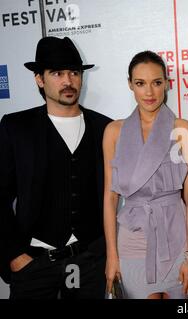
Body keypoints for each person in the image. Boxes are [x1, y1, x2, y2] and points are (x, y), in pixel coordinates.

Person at [0, 36, 112, 299]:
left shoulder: (105, 127)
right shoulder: (16, 128)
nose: (67, 81)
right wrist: (14, 256)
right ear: (39, 79)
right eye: (57, 73)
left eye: (74, 72)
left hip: (89, 262)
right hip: (33, 262)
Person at [103, 50, 188, 299]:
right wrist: (112, 256)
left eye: (157, 82)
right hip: (132, 239)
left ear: (167, 83)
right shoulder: (114, 132)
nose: (149, 92)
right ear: (130, 85)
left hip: (176, 235)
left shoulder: (182, 129)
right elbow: (110, 199)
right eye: (140, 83)